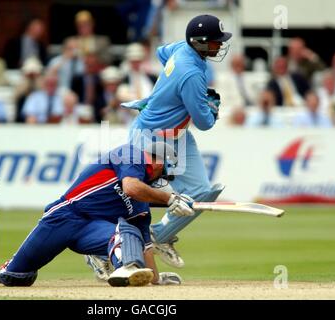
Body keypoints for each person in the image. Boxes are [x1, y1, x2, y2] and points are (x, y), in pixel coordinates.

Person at [86, 14, 231, 275]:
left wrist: (163, 93)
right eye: (215, 42)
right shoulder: (191, 75)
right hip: (150, 138)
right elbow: (205, 122)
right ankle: (99, 250)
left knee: (201, 191)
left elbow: (162, 52)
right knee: (131, 200)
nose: (219, 46)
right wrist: (212, 108)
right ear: (199, 43)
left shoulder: (181, 49)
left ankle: (159, 236)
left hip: (176, 135)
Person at [0, 142, 186, 287]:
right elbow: (130, 187)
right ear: (159, 161)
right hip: (65, 215)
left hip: (90, 230)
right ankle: (15, 268)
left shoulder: (142, 204)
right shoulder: (130, 154)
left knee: (129, 232)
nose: (163, 178)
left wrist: (155, 279)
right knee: (14, 277)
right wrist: (169, 199)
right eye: (165, 170)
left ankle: (125, 269)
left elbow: (146, 248)